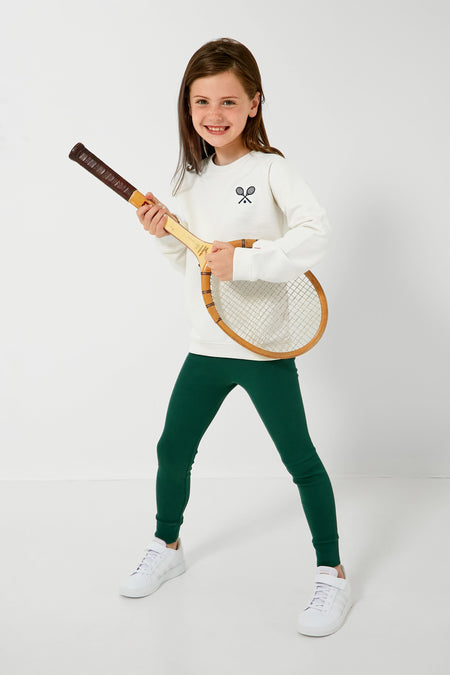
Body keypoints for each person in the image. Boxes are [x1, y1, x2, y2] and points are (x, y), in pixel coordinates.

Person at [120, 37, 353, 637]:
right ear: (187, 106)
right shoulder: (191, 179)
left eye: (228, 101)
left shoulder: (272, 170)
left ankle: (332, 574)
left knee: (301, 462)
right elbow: (193, 263)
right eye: (202, 101)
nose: (214, 114)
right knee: (173, 449)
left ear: (254, 103)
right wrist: (164, 236)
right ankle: (167, 546)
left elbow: (316, 233)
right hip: (206, 347)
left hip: (263, 350)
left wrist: (245, 263)